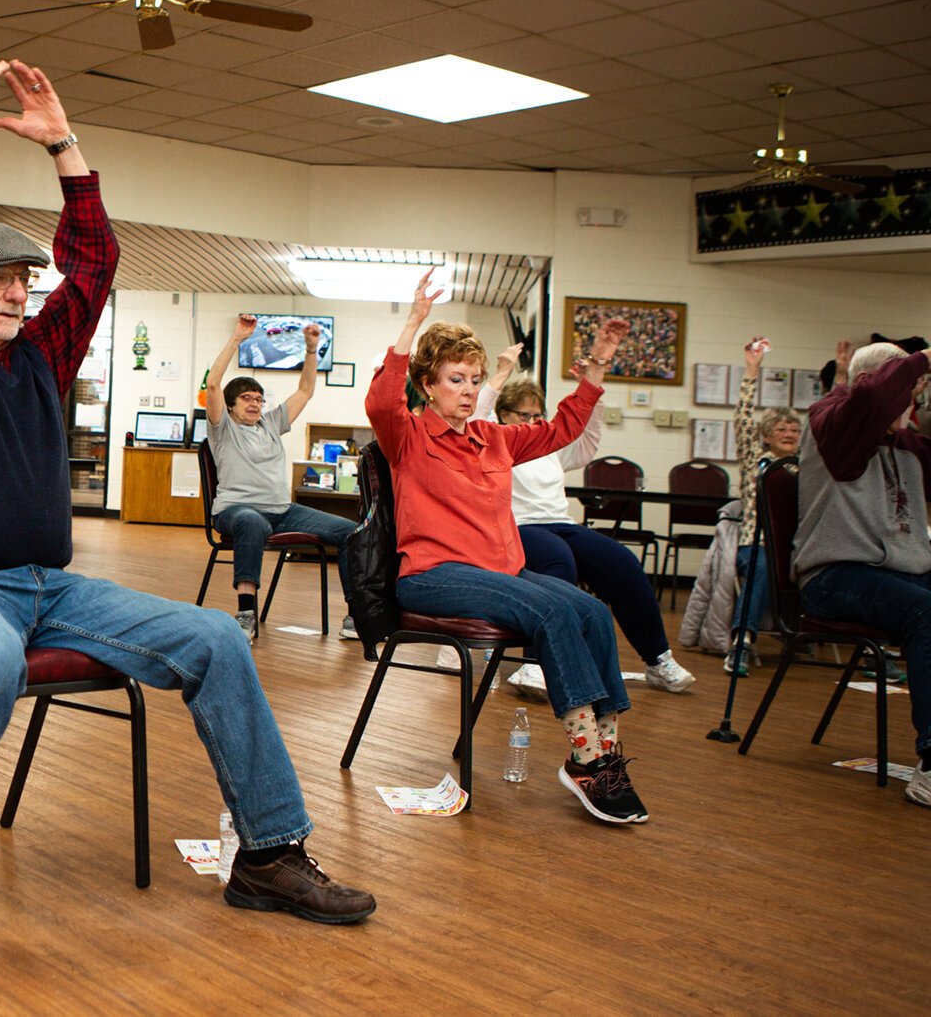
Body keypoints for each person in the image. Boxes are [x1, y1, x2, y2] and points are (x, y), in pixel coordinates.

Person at [0, 60, 375, 973]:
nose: (15, 291)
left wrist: (65, 146)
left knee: (218, 641)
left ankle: (269, 854)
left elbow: (96, 259)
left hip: (48, 587)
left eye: (22, 279)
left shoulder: (41, 355)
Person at [366, 274, 649, 824]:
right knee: (549, 608)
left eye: (475, 379)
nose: (469, 390)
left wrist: (595, 372)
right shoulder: (407, 437)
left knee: (589, 609)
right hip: (434, 575)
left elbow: (563, 427)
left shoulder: (493, 437)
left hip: (499, 574)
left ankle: (605, 754)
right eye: (455, 379)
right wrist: (414, 320)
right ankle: (585, 756)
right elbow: (381, 398)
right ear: (428, 385)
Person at [468, 352, 695, 694]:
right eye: (523, 414)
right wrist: (501, 374)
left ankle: (658, 659)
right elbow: (474, 417)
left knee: (621, 561)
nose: (532, 420)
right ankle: (534, 666)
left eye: (536, 414)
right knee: (558, 561)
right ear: (504, 415)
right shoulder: (492, 440)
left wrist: (595, 382)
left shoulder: (549, 448)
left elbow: (586, 443)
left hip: (560, 523)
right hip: (518, 527)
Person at [794, 341, 931, 807]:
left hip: (901, 574)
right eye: (907, 388)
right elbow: (871, 400)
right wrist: (924, 358)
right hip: (834, 576)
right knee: (927, 614)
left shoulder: (906, 442)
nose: (909, 401)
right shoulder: (830, 419)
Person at [204, 314, 358, 640]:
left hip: (282, 512)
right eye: (247, 398)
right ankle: (246, 613)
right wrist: (237, 339)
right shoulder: (223, 428)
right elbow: (214, 384)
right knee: (252, 522)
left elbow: (305, 390)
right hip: (237, 510)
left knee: (351, 532)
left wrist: (312, 349)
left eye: (259, 399)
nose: (255, 404)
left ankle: (355, 617)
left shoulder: (272, 423)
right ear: (230, 406)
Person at [722, 336, 805, 676]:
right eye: (779, 428)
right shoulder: (757, 461)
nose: (788, 432)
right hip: (754, 546)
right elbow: (742, 420)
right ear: (766, 436)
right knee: (761, 566)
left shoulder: (808, 467)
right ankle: (742, 642)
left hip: (798, 550)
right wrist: (751, 372)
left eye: (794, 428)